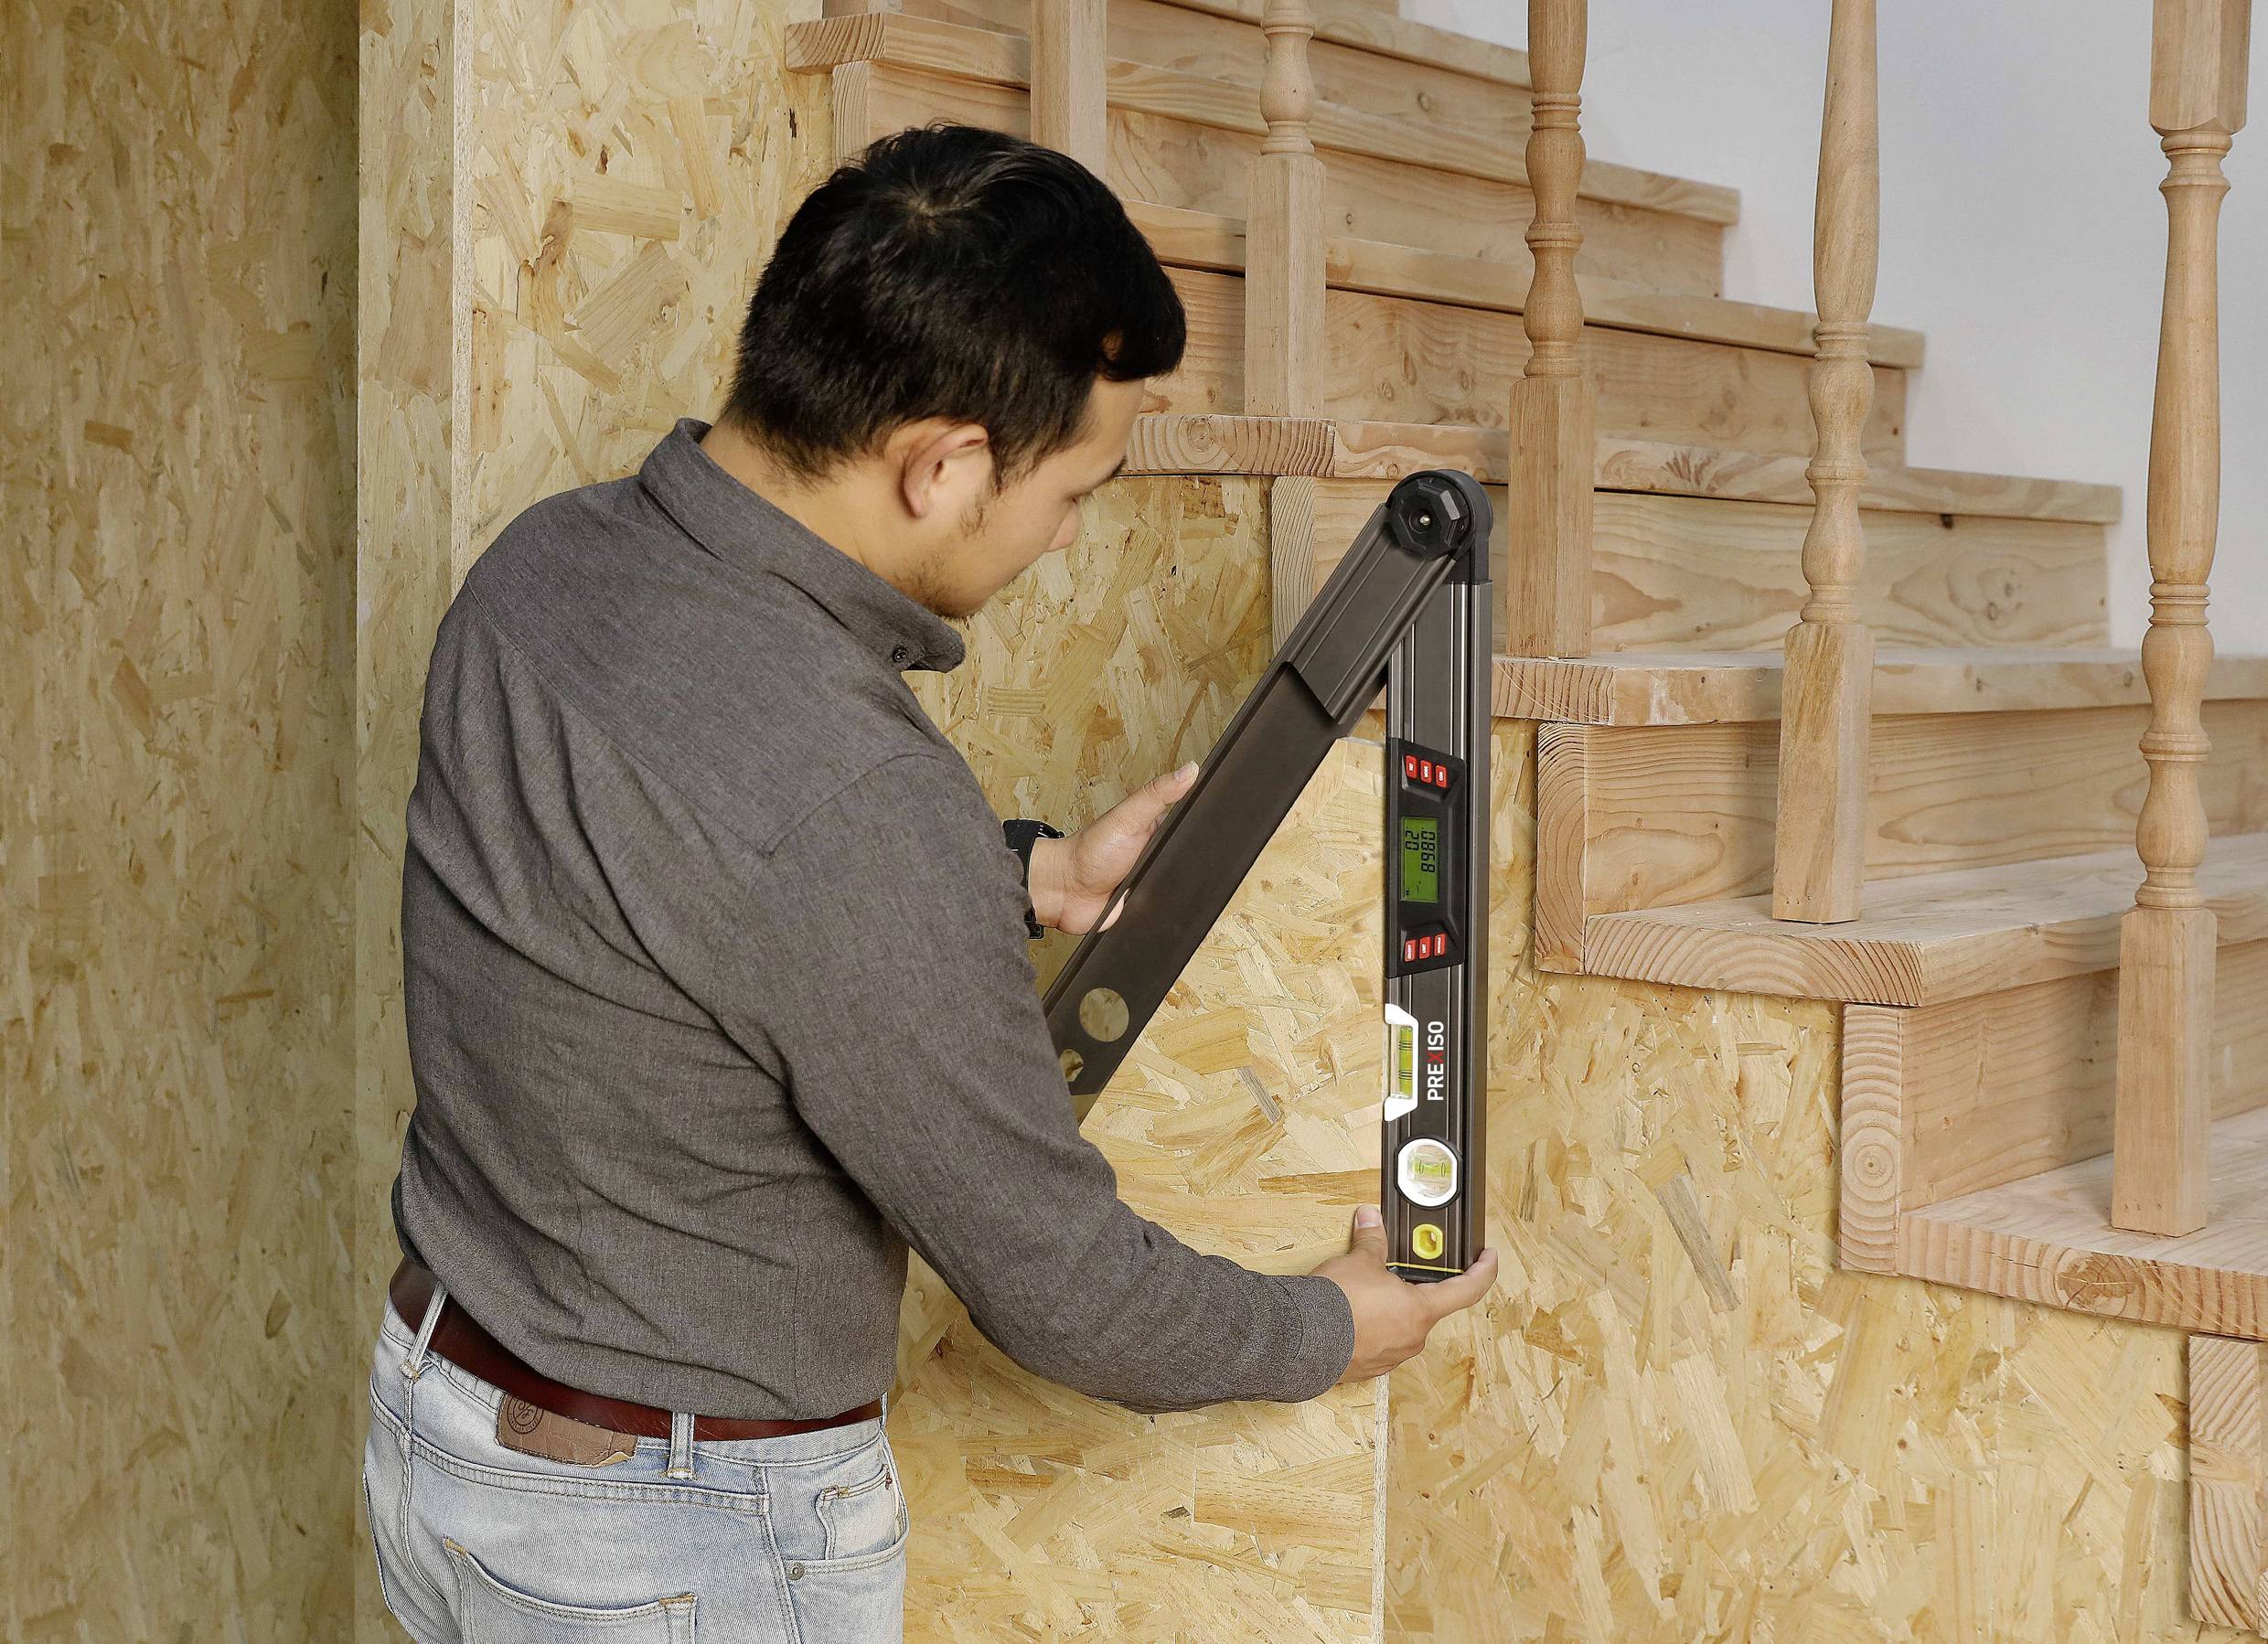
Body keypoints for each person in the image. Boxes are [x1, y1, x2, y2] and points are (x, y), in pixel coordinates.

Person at [360, 122, 1498, 1643]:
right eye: (1076, 493)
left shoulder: (543, 573)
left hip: (444, 1436)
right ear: (945, 465)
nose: (1068, 536)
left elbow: (684, 850)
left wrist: (1023, 869)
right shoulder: (850, 797)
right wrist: (1327, 1326)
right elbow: (1064, 1285)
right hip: (670, 1549)